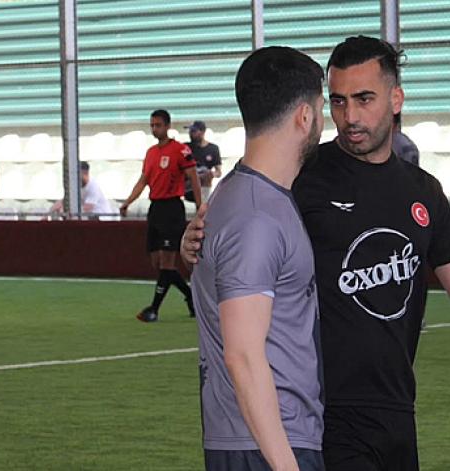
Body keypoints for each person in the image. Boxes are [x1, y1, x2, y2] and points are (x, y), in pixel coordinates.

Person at [183, 36, 450, 471]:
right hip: (325, 417)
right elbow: (245, 221)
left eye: (364, 99)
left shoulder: (423, 191)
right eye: (338, 101)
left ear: (396, 99)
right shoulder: (301, 175)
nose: (350, 117)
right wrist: (196, 239)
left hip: (397, 410)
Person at [193, 46, 326, 471]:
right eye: (323, 108)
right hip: (268, 445)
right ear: (304, 116)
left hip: (264, 440)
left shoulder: (244, 197)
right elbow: (244, 356)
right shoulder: (256, 216)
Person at [120, 109, 202, 322]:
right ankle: (191, 296)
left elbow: (193, 177)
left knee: (167, 262)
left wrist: (200, 206)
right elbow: (143, 180)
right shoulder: (151, 153)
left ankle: (154, 309)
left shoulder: (180, 150)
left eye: (158, 125)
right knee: (158, 263)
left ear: (167, 126)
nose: (154, 129)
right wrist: (128, 201)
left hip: (172, 208)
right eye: (152, 125)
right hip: (155, 208)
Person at [48, 161, 113, 218]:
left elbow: (87, 208)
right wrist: (49, 213)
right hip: (87, 218)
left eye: (78, 174)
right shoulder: (76, 186)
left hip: (102, 218)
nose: (76, 177)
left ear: (86, 174)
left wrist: (65, 211)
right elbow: (64, 201)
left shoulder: (93, 186)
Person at [184, 120, 223, 203]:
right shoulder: (185, 147)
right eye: (190, 131)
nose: (190, 134)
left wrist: (211, 174)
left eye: (194, 131)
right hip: (188, 184)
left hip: (204, 183)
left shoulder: (213, 148)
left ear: (202, 132)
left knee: (206, 174)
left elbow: (218, 172)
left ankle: (204, 203)